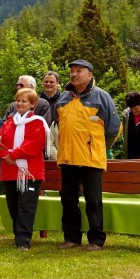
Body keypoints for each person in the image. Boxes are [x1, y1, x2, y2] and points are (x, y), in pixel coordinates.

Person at [55, 59, 121, 251]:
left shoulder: (102, 97)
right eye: (72, 71)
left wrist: (97, 147)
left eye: (79, 71)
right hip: (67, 158)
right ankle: (71, 238)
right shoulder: (63, 98)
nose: (74, 74)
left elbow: (114, 128)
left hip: (91, 159)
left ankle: (96, 240)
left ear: (90, 74)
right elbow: (60, 126)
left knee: (93, 201)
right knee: (68, 200)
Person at [0, 88, 48, 250]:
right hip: (10, 171)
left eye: (24, 101)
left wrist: (14, 155)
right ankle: (18, 235)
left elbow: (33, 144)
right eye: (18, 100)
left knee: (26, 206)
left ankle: (23, 240)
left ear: (32, 104)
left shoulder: (37, 122)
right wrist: (5, 156)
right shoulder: (8, 122)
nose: (20, 103)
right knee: (13, 206)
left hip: (29, 172)